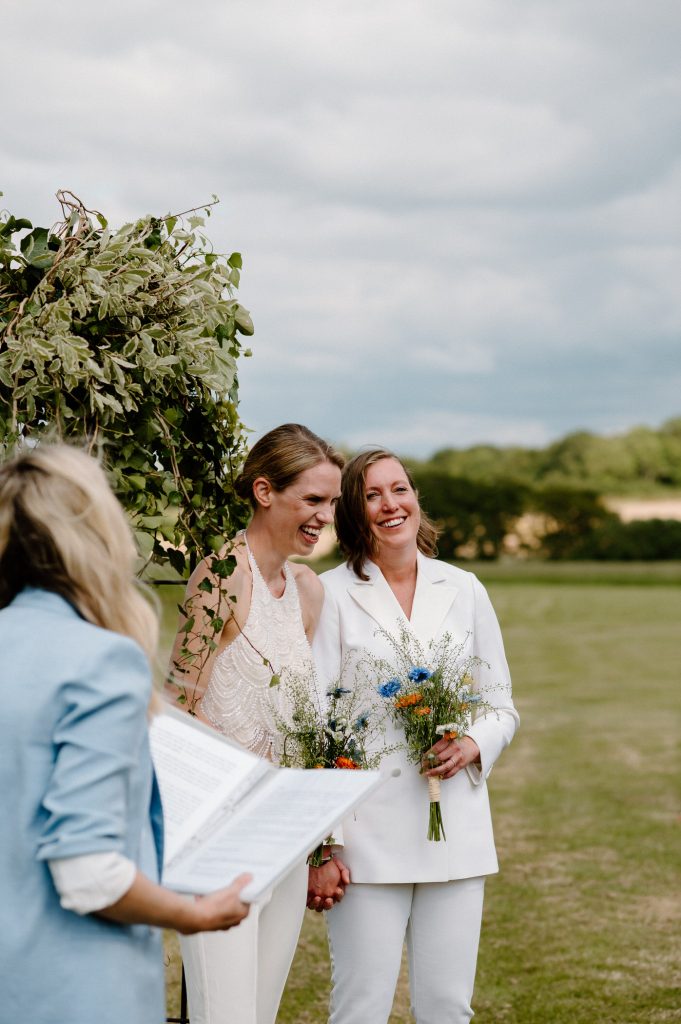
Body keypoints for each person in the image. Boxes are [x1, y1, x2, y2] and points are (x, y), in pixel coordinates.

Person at [0, 444, 251, 1024]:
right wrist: (194, 915)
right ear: (96, 537)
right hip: (68, 989)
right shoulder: (102, 662)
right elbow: (88, 872)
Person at [312, 448, 520, 1024]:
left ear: (415, 498)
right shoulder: (329, 594)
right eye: (371, 495)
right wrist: (323, 844)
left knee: (449, 1009)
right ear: (354, 513)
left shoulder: (465, 588)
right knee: (359, 1008)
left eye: (398, 489)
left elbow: (500, 704)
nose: (389, 504)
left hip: (454, 831)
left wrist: (476, 742)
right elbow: (317, 727)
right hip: (364, 841)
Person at [166, 422, 349, 1024]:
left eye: (332, 502)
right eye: (313, 500)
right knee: (224, 1015)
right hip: (221, 839)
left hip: (286, 839)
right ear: (265, 491)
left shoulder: (307, 589)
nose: (325, 516)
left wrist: (319, 838)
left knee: (261, 1013)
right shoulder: (221, 578)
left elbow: (301, 718)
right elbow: (176, 709)